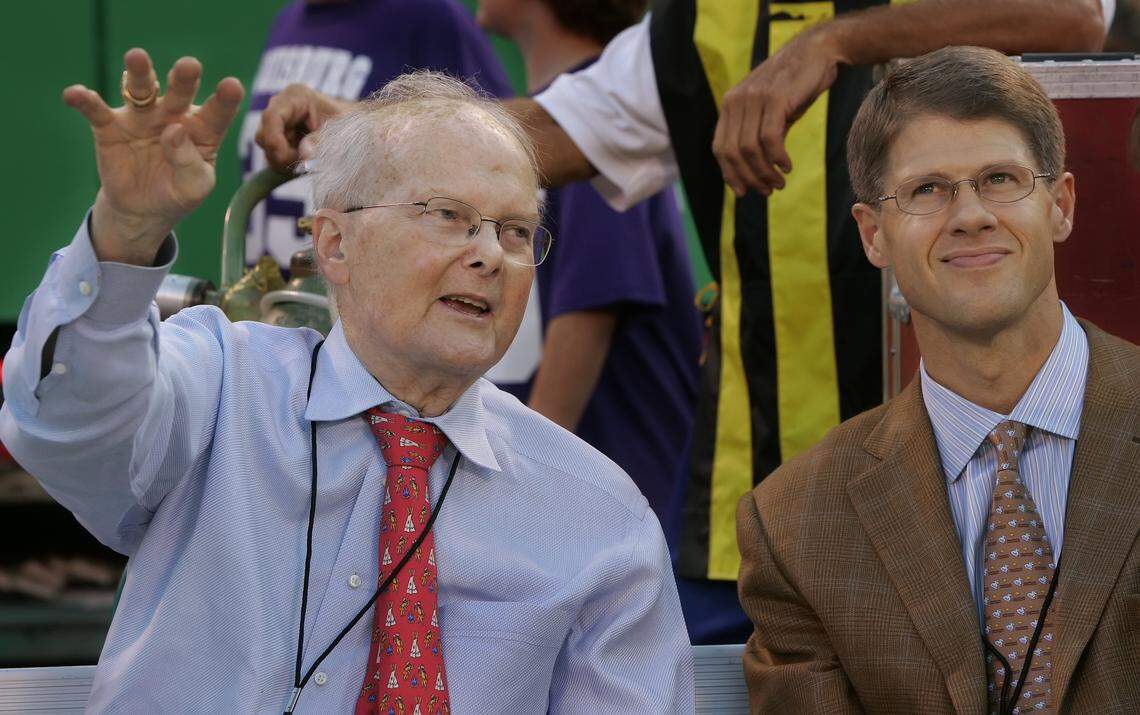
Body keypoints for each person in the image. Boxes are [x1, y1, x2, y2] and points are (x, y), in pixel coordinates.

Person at [255, 0, 1114, 645]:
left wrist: (838, 41)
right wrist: (372, 132)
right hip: (754, 508)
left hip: (982, 486)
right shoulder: (699, 17)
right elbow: (548, 131)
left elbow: (1078, 15)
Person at [0, 50, 692, 712]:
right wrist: (125, 233)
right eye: (448, 216)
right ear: (334, 244)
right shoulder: (217, 389)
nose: (489, 255)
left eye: (515, 232)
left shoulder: (596, 516)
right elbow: (63, 424)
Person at [736, 45, 1140, 712]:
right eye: (927, 189)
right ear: (873, 235)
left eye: (1001, 179)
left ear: (1061, 205)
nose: (970, 213)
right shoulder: (795, 525)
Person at [474, 0, 701, 566]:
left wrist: (521, 482)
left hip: (609, 500)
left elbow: (592, 309)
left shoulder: (589, 120)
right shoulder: (577, 109)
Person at [238, 0, 513, 269]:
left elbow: (493, 145)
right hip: (272, 292)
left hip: (368, 291)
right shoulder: (288, 20)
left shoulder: (428, 13)